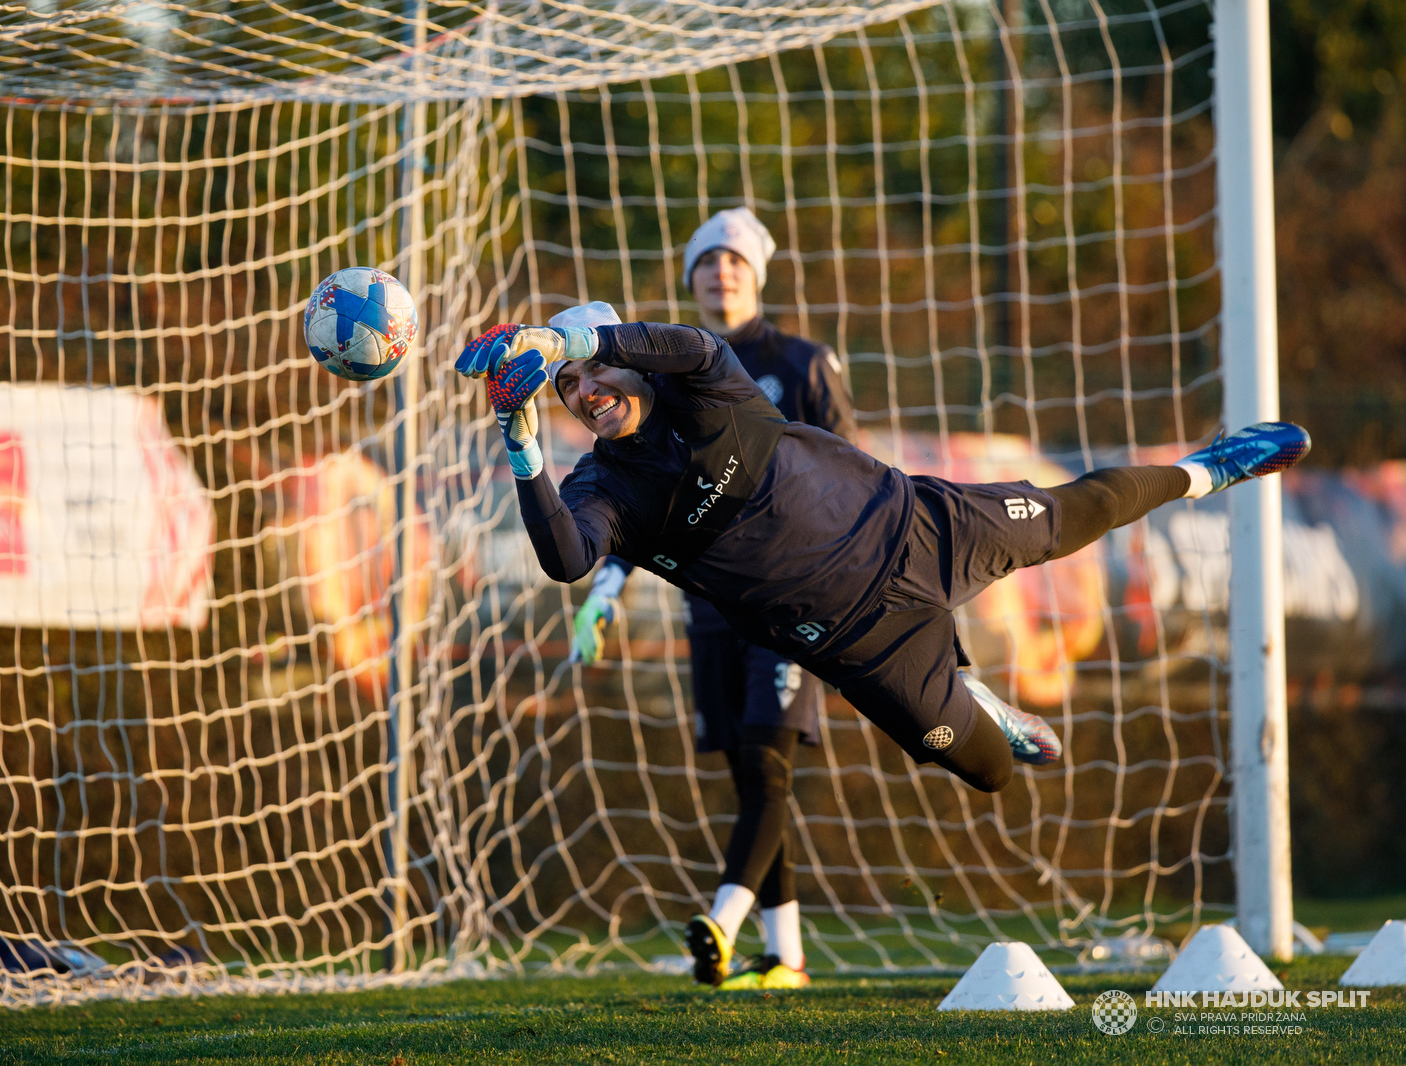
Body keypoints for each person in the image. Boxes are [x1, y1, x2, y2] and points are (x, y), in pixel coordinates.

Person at [460, 314, 1310, 988]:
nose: (586, 388)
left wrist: (562, 340)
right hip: (860, 645)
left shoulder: (704, 384)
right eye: (567, 386)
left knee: (1071, 515)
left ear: (629, 361)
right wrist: (519, 432)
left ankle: (1213, 468)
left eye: (595, 368)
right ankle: (975, 697)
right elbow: (567, 558)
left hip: (917, 528)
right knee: (990, 772)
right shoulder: (601, 484)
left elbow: (685, 342)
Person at [563, 209, 856, 991]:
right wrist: (607, 588)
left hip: (793, 596)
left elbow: (846, 466)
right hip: (711, 604)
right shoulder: (658, 375)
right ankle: (784, 955)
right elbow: (641, 498)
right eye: (706, 264)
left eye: (733, 263)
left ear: (756, 274)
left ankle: (720, 923)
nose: (719, 274)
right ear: (690, 277)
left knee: (768, 760)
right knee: (748, 767)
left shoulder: (803, 361)